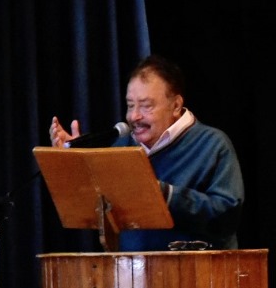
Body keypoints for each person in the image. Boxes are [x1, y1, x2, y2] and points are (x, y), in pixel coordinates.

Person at [49, 54, 244, 251]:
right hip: (130, 268)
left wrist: (164, 194)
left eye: (146, 106)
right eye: (130, 105)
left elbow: (227, 215)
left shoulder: (212, 145)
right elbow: (95, 212)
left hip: (199, 268)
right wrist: (75, 164)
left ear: (176, 105)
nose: (134, 116)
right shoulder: (121, 148)